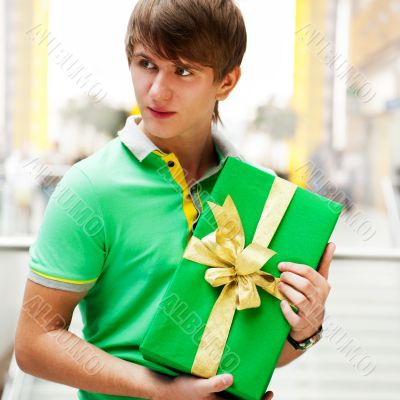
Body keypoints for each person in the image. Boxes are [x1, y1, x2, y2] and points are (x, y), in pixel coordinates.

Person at [14, 1, 335, 399]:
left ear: (227, 82)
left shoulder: (264, 196)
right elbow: (35, 343)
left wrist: (305, 329)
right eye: (146, 63)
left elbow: (255, 351)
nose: (156, 90)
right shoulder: (90, 188)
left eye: (183, 71)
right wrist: (161, 392)